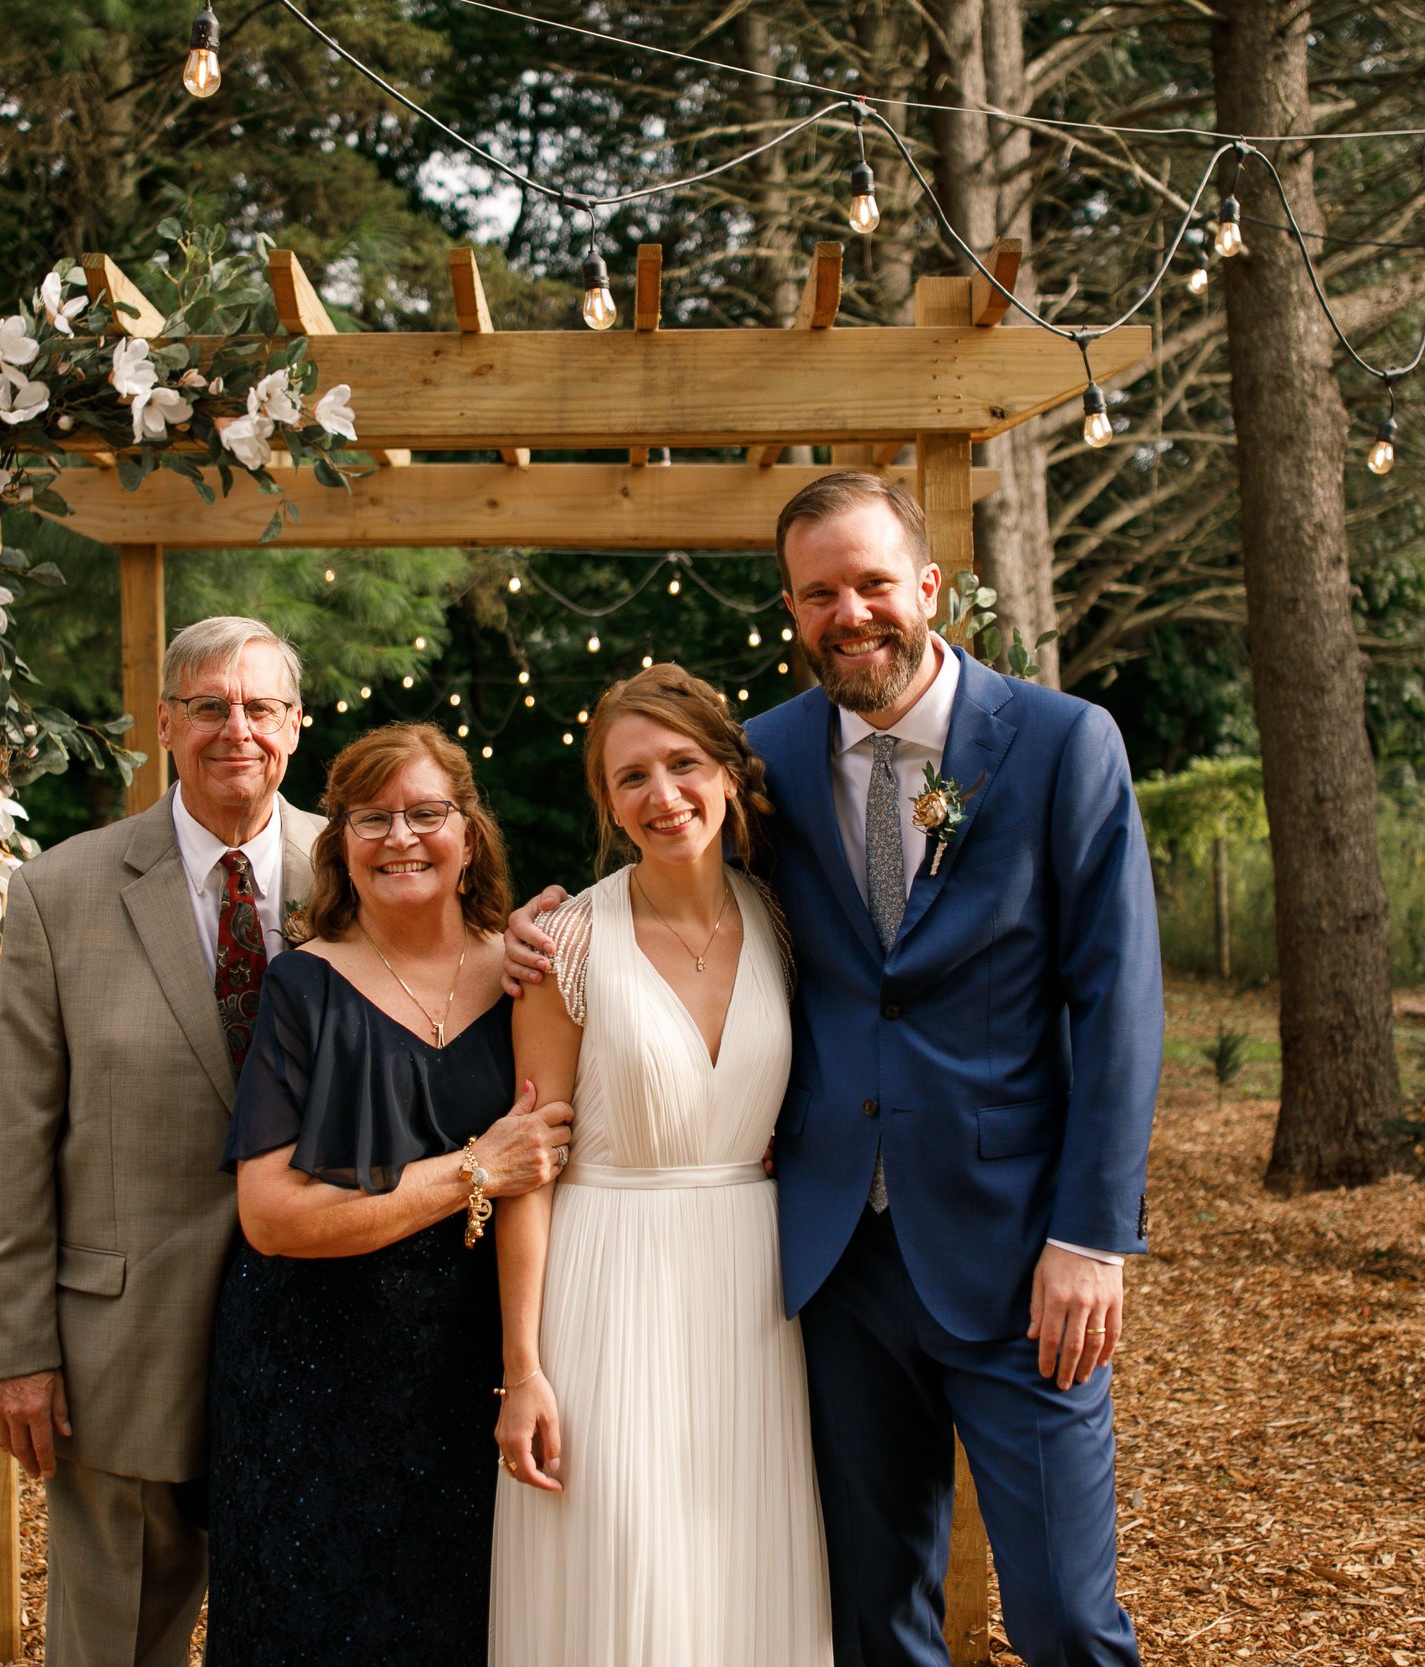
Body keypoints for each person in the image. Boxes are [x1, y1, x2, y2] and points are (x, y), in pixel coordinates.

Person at [509, 472, 1161, 1667]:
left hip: (1021, 1253)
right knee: (873, 1614)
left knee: (1066, 1613)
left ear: (926, 585)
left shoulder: (1064, 745)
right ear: (792, 611)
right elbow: (670, 880)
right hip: (831, 1262)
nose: (848, 612)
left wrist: (1093, 1236)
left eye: (870, 583)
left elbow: (1118, 1002)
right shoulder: (761, 757)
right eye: (819, 594)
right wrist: (538, 925)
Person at [0, 616, 324, 1667]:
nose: (234, 729)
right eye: (208, 705)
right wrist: (14, 1347)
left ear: (295, 725)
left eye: (259, 706)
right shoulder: (61, 892)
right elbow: (9, 1144)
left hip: (324, 1337)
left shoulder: (362, 868)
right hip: (122, 1345)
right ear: (164, 722)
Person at [205, 722, 572, 1667]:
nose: (400, 837)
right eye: (372, 817)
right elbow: (272, 1216)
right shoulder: (302, 988)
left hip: (471, 1374)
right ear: (340, 844)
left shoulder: (534, 974)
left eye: (426, 812)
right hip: (308, 1385)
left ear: (471, 834)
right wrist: (472, 1171)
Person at [488, 664, 833, 1667]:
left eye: (684, 764)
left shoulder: (781, 922)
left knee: (739, 1567)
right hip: (608, 1283)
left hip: (751, 1289)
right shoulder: (567, 943)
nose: (663, 793)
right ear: (606, 801)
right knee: (623, 1564)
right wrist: (523, 1369)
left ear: (729, 775)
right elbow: (528, 1165)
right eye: (630, 776)